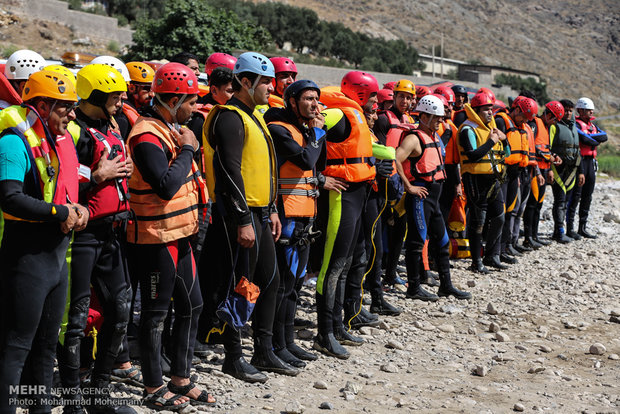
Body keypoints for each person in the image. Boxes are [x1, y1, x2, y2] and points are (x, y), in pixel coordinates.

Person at [199, 52, 295, 383]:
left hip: (259, 211)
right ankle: (233, 357)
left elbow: (260, 170)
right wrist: (243, 220)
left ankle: (264, 351)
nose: (271, 87)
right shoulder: (229, 118)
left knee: (270, 280)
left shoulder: (254, 116)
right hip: (237, 213)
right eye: (265, 82)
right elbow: (229, 172)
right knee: (242, 285)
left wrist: (270, 211)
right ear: (245, 82)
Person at [125, 62, 213, 409]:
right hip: (154, 238)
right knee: (156, 312)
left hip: (180, 234)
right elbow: (164, 187)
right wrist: (189, 148)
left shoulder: (169, 127)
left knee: (193, 304)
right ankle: (152, 387)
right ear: (174, 99)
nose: (195, 108)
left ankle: (180, 376)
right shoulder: (147, 135)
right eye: (191, 101)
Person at [0, 70, 85, 414]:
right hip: (26, 258)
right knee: (16, 347)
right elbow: (9, 198)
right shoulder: (12, 141)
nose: (72, 114)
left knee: (47, 346)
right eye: (66, 107)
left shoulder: (50, 138)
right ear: (43, 105)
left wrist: (77, 210)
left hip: (54, 259)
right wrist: (58, 211)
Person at [58, 63, 136, 414]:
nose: (121, 100)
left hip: (112, 232)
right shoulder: (74, 129)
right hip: (82, 235)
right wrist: (98, 173)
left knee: (120, 311)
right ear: (95, 96)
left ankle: (98, 393)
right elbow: (61, 172)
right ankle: (72, 398)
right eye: (115, 95)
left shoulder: (112, 124)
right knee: (76, 320)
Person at [312, 71, 378, 358]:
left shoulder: (354, 114)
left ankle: (337, 325)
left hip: (356, 192)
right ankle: (324, 333)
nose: (376, 101)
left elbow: (363, 149)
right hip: (340, 194)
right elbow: (308, 133)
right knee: (332, 266)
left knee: (347, 261)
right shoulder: (336, 113)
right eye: (373, 95)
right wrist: (318, 178)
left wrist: (391, 157)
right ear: (362, 93)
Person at [264, 79, 325, 368]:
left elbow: (314, 165)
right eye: (308, 99)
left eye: (317, 99)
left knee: (296, 283)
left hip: (304, 214)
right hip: (286, 215)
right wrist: (316, 133)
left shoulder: (303, 130)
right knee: (283, 284)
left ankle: (287, 342)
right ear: (291, 101)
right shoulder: (279, 128)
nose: (315, 104)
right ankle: (275, 344)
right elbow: (304, 159)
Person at [395, 95, 471, 301]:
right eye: (437, 117)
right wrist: (408, 186)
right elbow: (396, 158)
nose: (440, 121)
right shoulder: (414, 138)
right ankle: (414, 288)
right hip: (421, 196)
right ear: (425, 116)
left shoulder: (434, 136)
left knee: (443, 240)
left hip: (434, 199)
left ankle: (446, 285)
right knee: (416, 241)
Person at [457, 92, 508, 273]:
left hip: (493, 180)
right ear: (476, 111)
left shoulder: (491, 128)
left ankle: (491, 255)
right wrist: (491, 141)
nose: (490, 113)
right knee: (478, 222)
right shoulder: (467, 129)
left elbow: (506, 154)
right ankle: (476, 261)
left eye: (491, 109)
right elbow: (472, 155)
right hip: (475, 180)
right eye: (486, 109)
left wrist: (504, 139)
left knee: (499, 218)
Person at [373, 79, 416, 287]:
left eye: (408, 98)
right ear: (394, 97)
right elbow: (379, 149)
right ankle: (375, 273)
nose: (404, 101)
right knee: (381, 228)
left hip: (401, 180)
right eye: (401, 97)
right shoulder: (383, 119)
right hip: (385, 180)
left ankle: (390, 273)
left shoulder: (409, 120)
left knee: (400, 228)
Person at [495, 96, 538, 264]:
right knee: (500, 213)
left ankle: (505, 248)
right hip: (502, 172)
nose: (525, 121)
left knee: (510, 210)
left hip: (516, 172)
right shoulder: (501, 121)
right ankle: (495, 251)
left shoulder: (521, 126)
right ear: (517, 109)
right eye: (524, 117)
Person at [523, 100, 564, 248]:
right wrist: (540, 171)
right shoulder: (535, 124)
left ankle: (534, 236)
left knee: (539, 205)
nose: (554, 122)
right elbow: (532, 148)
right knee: (532, 205)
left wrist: (553, 158)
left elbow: (545, 149)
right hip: (535, 171)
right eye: (553, 119)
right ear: (547, 114)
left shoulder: (547, 127)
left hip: (544, 170)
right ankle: (528, 238)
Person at [567, 97, 608, 239]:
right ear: (581, 110)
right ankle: (569, 228)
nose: (591, 112)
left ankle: (582, 228)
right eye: (588, 109)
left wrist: (592, 139)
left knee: (587, 196)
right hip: (581, 162)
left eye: (592, 110)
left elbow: (605, 136)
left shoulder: (593, 125)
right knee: (576, 195)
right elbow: (584, 139)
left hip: (591, 163)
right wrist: (594, 139)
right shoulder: (576, 125)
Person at [551, 100, 583, 242]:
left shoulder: (574, 126)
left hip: (572, 170)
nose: (568, 113)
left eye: (571, 110)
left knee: (567, 201)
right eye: (566, 110)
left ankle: (565, 230)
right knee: (560, 200)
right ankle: (559, 232)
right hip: (558, 169)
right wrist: (548, 170)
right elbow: (548, 149)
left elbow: (578, 150)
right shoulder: (554, 126)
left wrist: (581, 171)